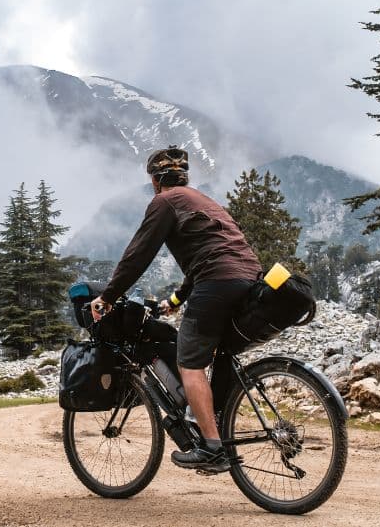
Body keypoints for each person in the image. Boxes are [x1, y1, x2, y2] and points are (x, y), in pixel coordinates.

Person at [89, 147, 264, 473]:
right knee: (219, 352)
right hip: (251, 277)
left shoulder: (164, 202)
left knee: (189, 362)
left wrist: (109, 296)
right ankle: (220, 428)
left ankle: (212, 448)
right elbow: (211, 256)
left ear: (155, 181)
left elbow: (138, 255)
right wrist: (175, 301)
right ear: (184, 177)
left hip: (216, 282)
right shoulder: (203, 200)